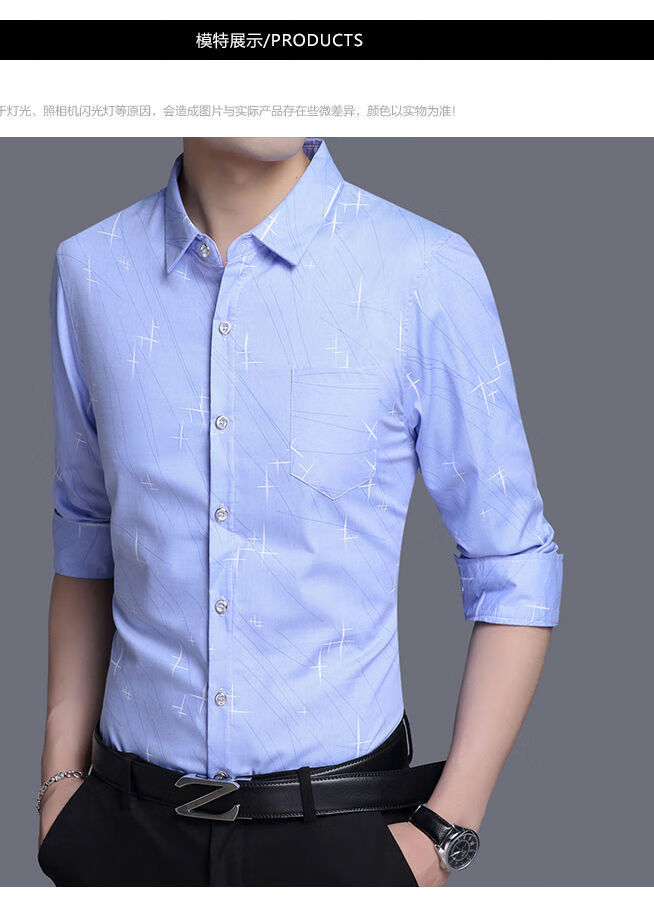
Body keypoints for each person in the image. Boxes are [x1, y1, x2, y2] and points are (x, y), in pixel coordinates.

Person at [36, 136, 564, 887]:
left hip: (342, 837)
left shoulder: (421, 271)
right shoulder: (91, 270)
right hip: (126, 832)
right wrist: (60, 784)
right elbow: (86, 539)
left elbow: (515, 565)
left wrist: (447, 831)